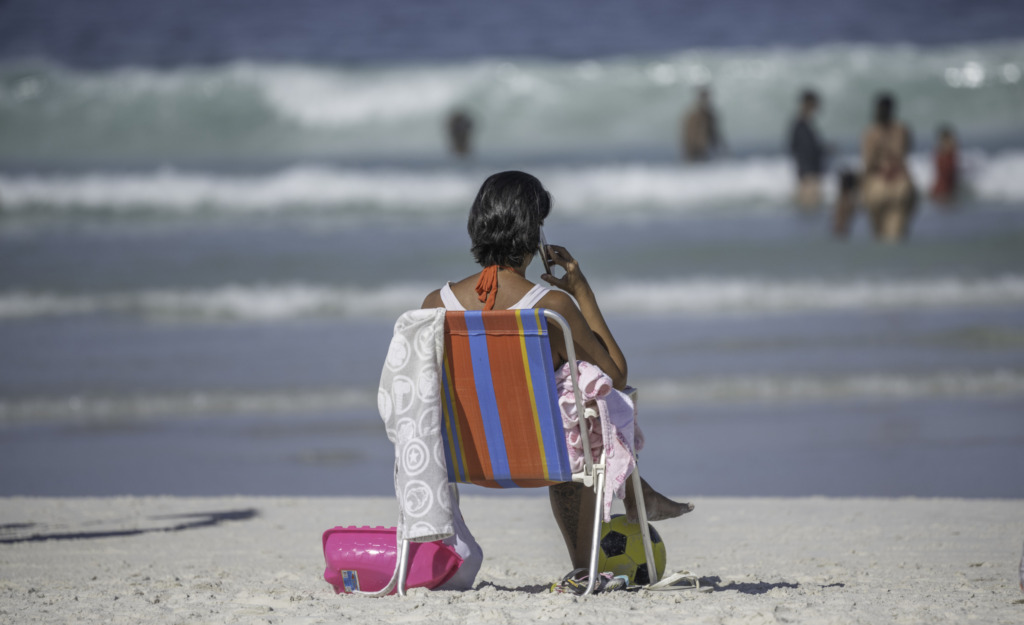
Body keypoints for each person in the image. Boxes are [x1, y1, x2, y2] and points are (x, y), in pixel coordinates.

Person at [421, 171, 693, 570]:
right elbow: (616, 375)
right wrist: (581, 291)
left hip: (464, 458)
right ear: (534, 234)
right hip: (543, 460)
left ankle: (637, 499)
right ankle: (588, 561)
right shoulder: (550, 307)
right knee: (584, 409)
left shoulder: (434, 305)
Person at [860, 93, 916, 242]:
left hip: (877, 185)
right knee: (895, 237)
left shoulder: (871, 133)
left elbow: (868, 163)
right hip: (899, 183)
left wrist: (861, 188)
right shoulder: (902, 130)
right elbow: (903, 156)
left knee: (879, 236)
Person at [789, 90, 827, 210]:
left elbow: (793, 147)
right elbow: (806, 150)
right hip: (808, 174)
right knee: (810, 209)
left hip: (805, 173)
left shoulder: (802, 125)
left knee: (808, 211)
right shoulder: (801, 126)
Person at [681, 88, 722, 161]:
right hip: (697, 145)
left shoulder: (706, 113)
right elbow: (690, 131)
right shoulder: (698, 114)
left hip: (700, 146)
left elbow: (713, 132)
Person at [930, 124, 958, 204]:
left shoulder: (948, 154)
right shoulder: (944, 156)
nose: (953, 141)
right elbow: (947, 173)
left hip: (944, 192)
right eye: (950, 139)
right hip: (942, 193)